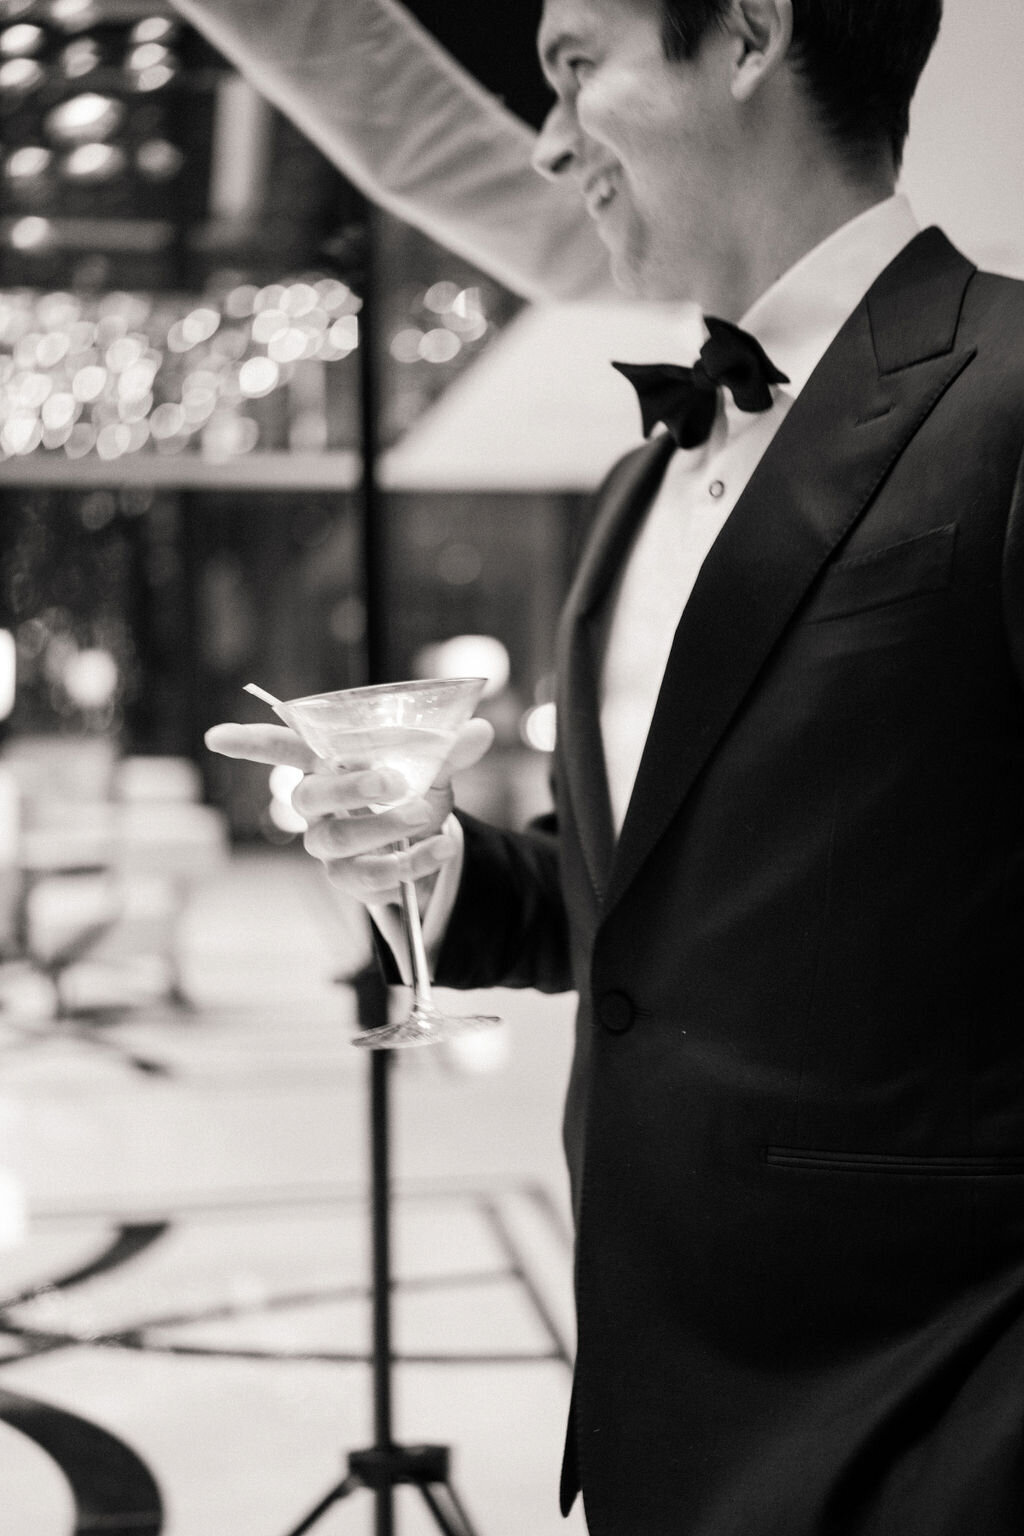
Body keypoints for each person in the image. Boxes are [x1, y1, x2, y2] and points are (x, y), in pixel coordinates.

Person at [208, 1, 1024, 1531]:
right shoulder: (631, 488)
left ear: (750, 35)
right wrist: (435, 859)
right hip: (656, 1422)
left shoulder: (1013, 391)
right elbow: (637, 908)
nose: (544, 140)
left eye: (577, 65)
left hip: (932, 1420)